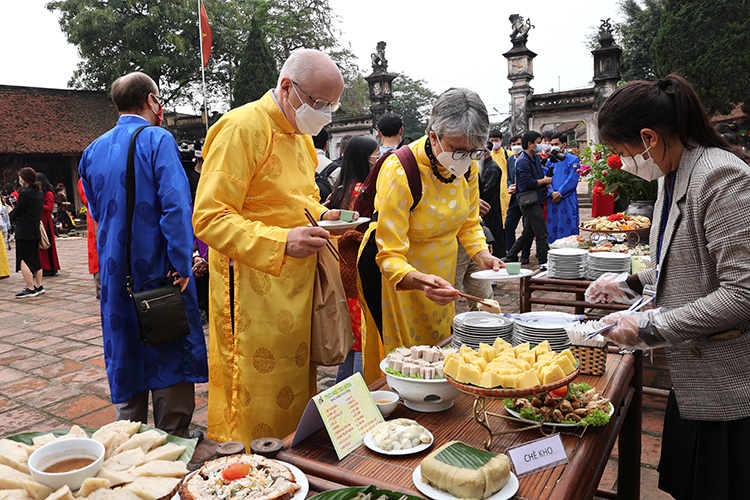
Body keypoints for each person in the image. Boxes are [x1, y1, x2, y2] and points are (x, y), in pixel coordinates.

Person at [585, 74, 750, 500]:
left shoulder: (721, 178)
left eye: (621, 152)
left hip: (728, 381)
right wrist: (626, 284)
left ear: (648, 138)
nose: (621, 163)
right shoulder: (670, 176)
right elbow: (675, 261)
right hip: (692, 375)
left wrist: (648, 326)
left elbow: (742, 294)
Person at [193, 49, 349, 444]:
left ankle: (290, 464)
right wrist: (281, 240)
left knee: (296, 383)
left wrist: (323, 215)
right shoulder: (241, 128)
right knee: (252, 397)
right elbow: (209, 217)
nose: (326, 114)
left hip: (296, 286)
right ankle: (250, 469)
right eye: (320, 103)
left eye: (332, 106)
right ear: (287, 87)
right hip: (250, 290)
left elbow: (298, 199)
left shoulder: (302, 137)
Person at [79, 71, 208, 438]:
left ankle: (129, 436)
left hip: (114, 271)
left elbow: (96, 212)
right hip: (157, 268)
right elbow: (175, 208)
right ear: (152, 101)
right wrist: (182, 263)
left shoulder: (91, 151)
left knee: (125, 347)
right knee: (166, 342)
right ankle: (171, 436)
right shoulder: (156, 139)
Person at [359, 88, 504, 384]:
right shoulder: (400, 169)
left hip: (441, 272)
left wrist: (482, 255)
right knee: (403, 362)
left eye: (474, 152)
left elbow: (468, 221)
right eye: (458, 150)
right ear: (433, 135)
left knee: (439, 352)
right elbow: (388, 254)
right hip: (397, 278)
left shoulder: (467, 169)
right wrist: (419, 281)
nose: (465, 159)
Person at [328, 135, 379, 383]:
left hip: (340, 268)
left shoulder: (339, 190)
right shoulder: (364, 191)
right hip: (358, 270)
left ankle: (342, 393)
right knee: (362, 338)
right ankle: (362, 396)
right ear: (364, 158)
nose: (378, 159)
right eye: (375, 155)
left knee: (351, 338)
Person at [503, 131, 552, 265]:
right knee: (542, 233)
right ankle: (544, 262)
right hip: (529, 201)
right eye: (538, 142)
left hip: (537, 198)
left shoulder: (535, 158)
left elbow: (539, 174)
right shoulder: (523, 161)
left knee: (528, 233)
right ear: (530, 144)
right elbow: (528, 183)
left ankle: (511, 256)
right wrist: (544, 181)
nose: (541, 145)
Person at [9, 168, 44, 297]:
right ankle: (39, 286)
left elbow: (17, 212)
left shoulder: (25, 194)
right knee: (35, 258)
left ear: (24, 179)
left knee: (23, 259)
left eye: (20, 178)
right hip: (35, 229)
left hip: (24, 231)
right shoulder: (39, 193)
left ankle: (30, 288)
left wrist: (10, 211)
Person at [545, 132, 580, 243]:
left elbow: (572, 179)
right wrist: (551, 192)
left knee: (569, 224)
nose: (554, 146)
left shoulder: (573, 160)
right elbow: (545, 178)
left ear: (564, 144)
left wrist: (559, 193)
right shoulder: (549, 160)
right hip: (553, 199)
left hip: (567, 198)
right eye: (552, 144)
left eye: (556, 144)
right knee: (553, 226)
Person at [505, 134, 532, 263]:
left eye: (519, 144)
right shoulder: (510, 160)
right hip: (514, 199)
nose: (516, 147)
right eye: (514, 144)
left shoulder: (530, 158)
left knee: (527, 228)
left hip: (527, 197)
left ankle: (525, 255)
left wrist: (519, 186)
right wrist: (510, 186)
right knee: (509, 226)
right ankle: (511, 254)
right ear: (510, 146)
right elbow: (509, 177)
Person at [478, 143, 505, 259]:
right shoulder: (483, 166)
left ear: (485, 151)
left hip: (490, 209)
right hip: (485, 208)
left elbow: (488, 190)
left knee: (495, 237)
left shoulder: (493, 167)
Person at [77, 179, 100, 299]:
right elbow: (88, 200)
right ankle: (101, 289)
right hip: (97, 216)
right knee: (98, 252)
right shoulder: (84, 179)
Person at [36, 173, 60, 276]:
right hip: (37, 221)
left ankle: (51, 268)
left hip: (46, 222)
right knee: (39, 247)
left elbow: (50, 208)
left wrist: (37, 204)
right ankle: (42, 267)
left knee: (47, 245)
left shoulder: (49, 193)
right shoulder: (36, 193)